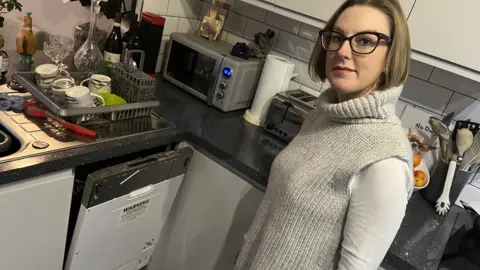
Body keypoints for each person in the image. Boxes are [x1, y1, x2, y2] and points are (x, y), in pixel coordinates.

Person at [234, 0, 413, 269]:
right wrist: (249, 249)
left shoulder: (385, 162)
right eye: (336, 37)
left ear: (390, 58)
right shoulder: (324, 113)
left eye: (365, 41)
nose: (342, 50)